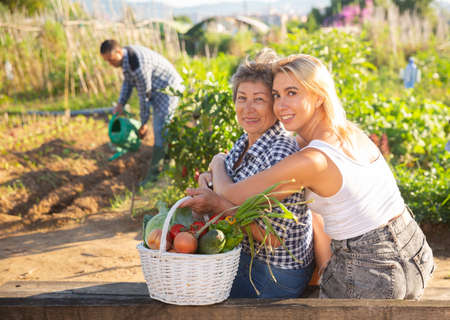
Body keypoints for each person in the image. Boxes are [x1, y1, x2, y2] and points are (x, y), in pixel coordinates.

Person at [205, 54, 434, 299]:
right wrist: (325, 266)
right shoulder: (347, 132)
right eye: (276, 95)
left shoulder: (311, 160)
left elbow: (230, 195)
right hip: (416, 254)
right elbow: (319, 212)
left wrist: (218, 161)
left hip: (371, 272)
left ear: (318, 95)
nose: (280, 105)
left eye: (292, 93)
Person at [181, 49, 319, 299]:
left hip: (275, 271)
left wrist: (217, 201)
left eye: (259, 99)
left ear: (275, 105)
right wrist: (209, 181)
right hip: (248, 258)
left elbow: (271, 238)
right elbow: (226, 188)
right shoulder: (245, 141)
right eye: (241, 98)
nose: (248, 109)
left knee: (196, 295)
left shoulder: (280, 152)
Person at [100, 39, 183, 185]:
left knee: (160, 128)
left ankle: (156, 174)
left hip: (168, 89)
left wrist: (144, 123)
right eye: (107, 61)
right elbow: (127, 83)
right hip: (158, 89)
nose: (110, 64)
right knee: (163, 129)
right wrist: (121, 103)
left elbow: (144, 96)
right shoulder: (127, 58)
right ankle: (166, 167)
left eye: (111, 59)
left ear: (119, 52)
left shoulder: (137, 64)